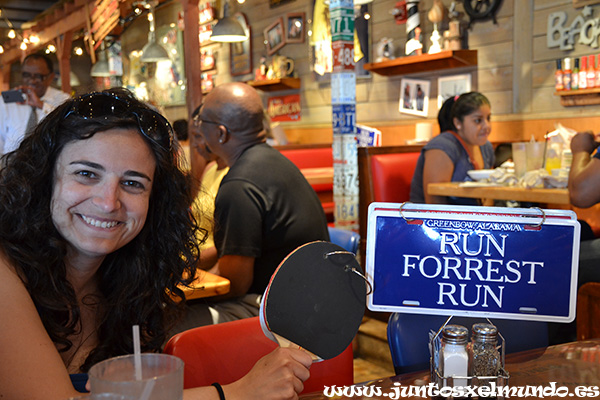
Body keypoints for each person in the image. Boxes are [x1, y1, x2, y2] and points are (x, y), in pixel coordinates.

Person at [0, 87, 312, 400]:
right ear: (44, 177)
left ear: (155, 201)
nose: (109, 202)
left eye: (133, 183)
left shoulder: (129, 282)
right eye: (86, 174)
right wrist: (237, 392)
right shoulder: (6, 274)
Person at [189, 82, 329, 326]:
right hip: (312, 299)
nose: (198, 128)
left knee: (165, 324)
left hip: (276, 312)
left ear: (221, 133)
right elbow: (239, 248)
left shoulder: (238, 185)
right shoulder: (275, 162)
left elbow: (234, 284)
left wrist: (184, 291)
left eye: (202, 122)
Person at [410, 91, 495, 205]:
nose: (487, 126)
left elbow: (490, 195)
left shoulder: (486, 147)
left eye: (488, 118)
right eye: (478, 120)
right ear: (458, 123)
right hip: (429, 220)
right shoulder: (442, 146)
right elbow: (435, 204)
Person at [0, 52, 71, 156]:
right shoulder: (7, 100)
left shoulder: (62, 99)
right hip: (12, 163)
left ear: (51, 77)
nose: (32, 81)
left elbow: (67, 129)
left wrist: (41, 105)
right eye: (26, 75)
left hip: (46, 163)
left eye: (38, 76)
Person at [190, 105, 229, 268]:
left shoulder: (232, 176)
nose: (195, 144)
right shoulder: (210, 168)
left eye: (199, 136)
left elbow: (225, 246)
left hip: (207, 266)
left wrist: (186, 266)